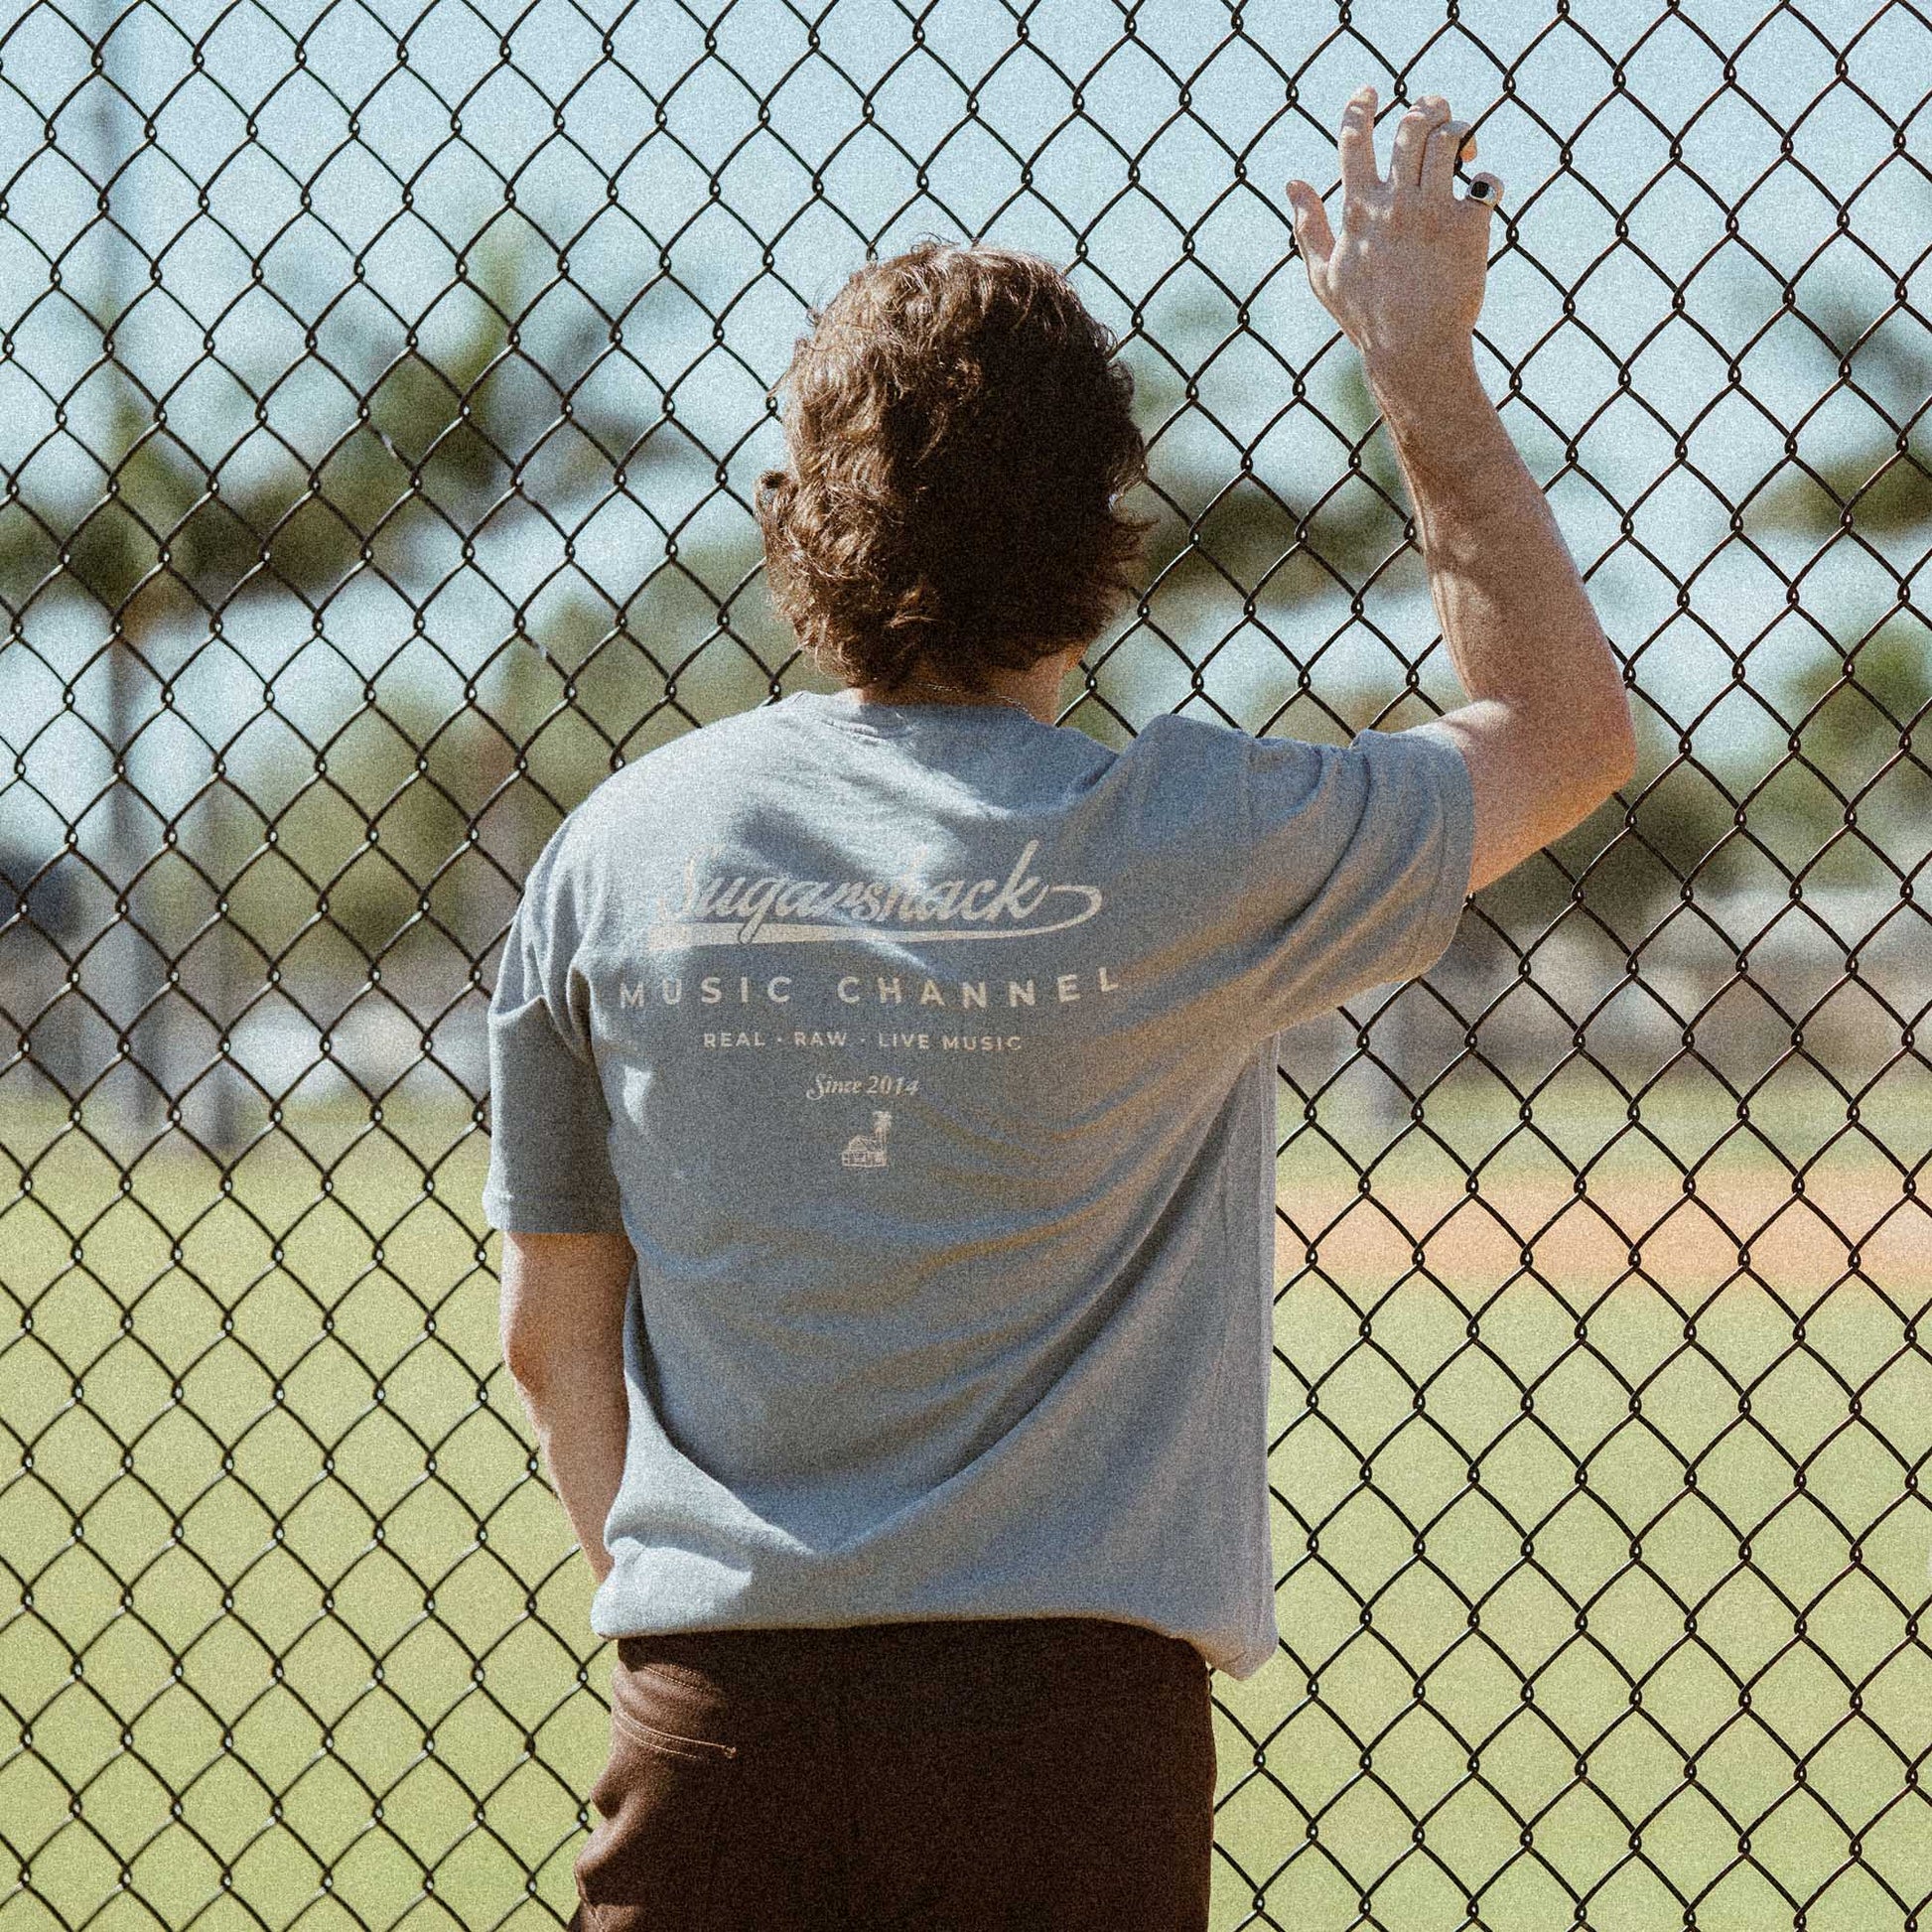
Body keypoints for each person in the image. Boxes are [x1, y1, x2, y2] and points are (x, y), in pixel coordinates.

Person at [483, 84, 1634, 1932]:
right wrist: (1417, 367)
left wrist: (699, 1609)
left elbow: (555, 1338)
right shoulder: (1187, 838)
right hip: (1065, 1729)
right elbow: (1565, 734)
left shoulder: (618, 850)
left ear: (793, 525)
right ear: (1107, 534)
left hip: (713, 1707)